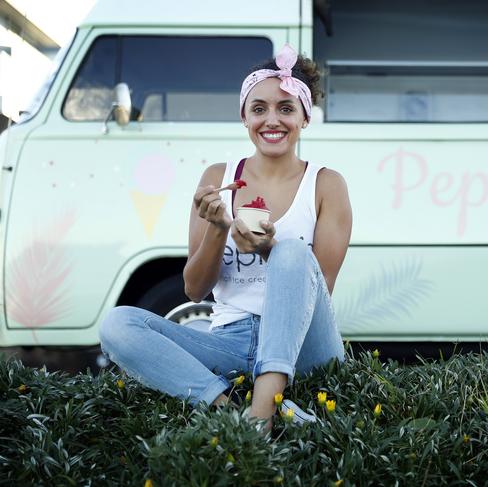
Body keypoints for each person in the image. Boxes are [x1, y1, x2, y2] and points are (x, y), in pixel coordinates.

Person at [99, 44, 353, 429]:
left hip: (304, 347)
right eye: (259, 108)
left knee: (293, 254)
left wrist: (269, 248)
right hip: (228, 341)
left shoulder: (326, 184)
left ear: (304, 118)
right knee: (117, 324)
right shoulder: (218, 179)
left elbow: (320, 289)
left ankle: (260, 418)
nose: (272, 120)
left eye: (286, 108)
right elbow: (194, 290)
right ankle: (228, 406)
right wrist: (218, 229)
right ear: (244, 117)